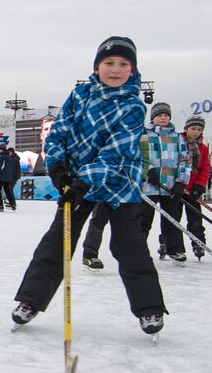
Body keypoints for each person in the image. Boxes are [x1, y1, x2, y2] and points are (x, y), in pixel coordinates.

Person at [12, 37, 166, 334]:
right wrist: (57, 169)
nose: (115, 69)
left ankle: (150, 309)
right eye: (109, 63)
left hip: (120, 183)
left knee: (128, 246)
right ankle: (30, 300)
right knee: (57, 242)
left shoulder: (133, 105)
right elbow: (59, 132)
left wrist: (83, 181)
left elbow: (116, 150)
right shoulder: (80, 95)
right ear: (97, 67)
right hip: (77, 179)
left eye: (123, 64)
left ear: (132, 69)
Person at [138, 102, 189, 263]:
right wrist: (148, 171)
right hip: (148, 185)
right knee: (143, 219)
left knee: (172, 219)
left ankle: (175, 250)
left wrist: (181, 182)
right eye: (160, 115)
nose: (163, 118)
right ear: (153, 118)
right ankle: (137, 250)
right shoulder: (144, 134)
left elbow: (184, 160)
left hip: (170, 185)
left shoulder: (177, 137)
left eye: (166, 115)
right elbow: (137, 156)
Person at [180, 114, 211, 259]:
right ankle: (167, 242)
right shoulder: (178, 143)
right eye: (193, 128)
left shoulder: (203, 148)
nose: (196, 132)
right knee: (172, 217)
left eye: (199, 129)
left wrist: (199, 186)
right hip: (178, 187)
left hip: (193, 189)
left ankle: (198, 242)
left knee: (195, 218)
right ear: (186, 129)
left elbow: (205, 168)